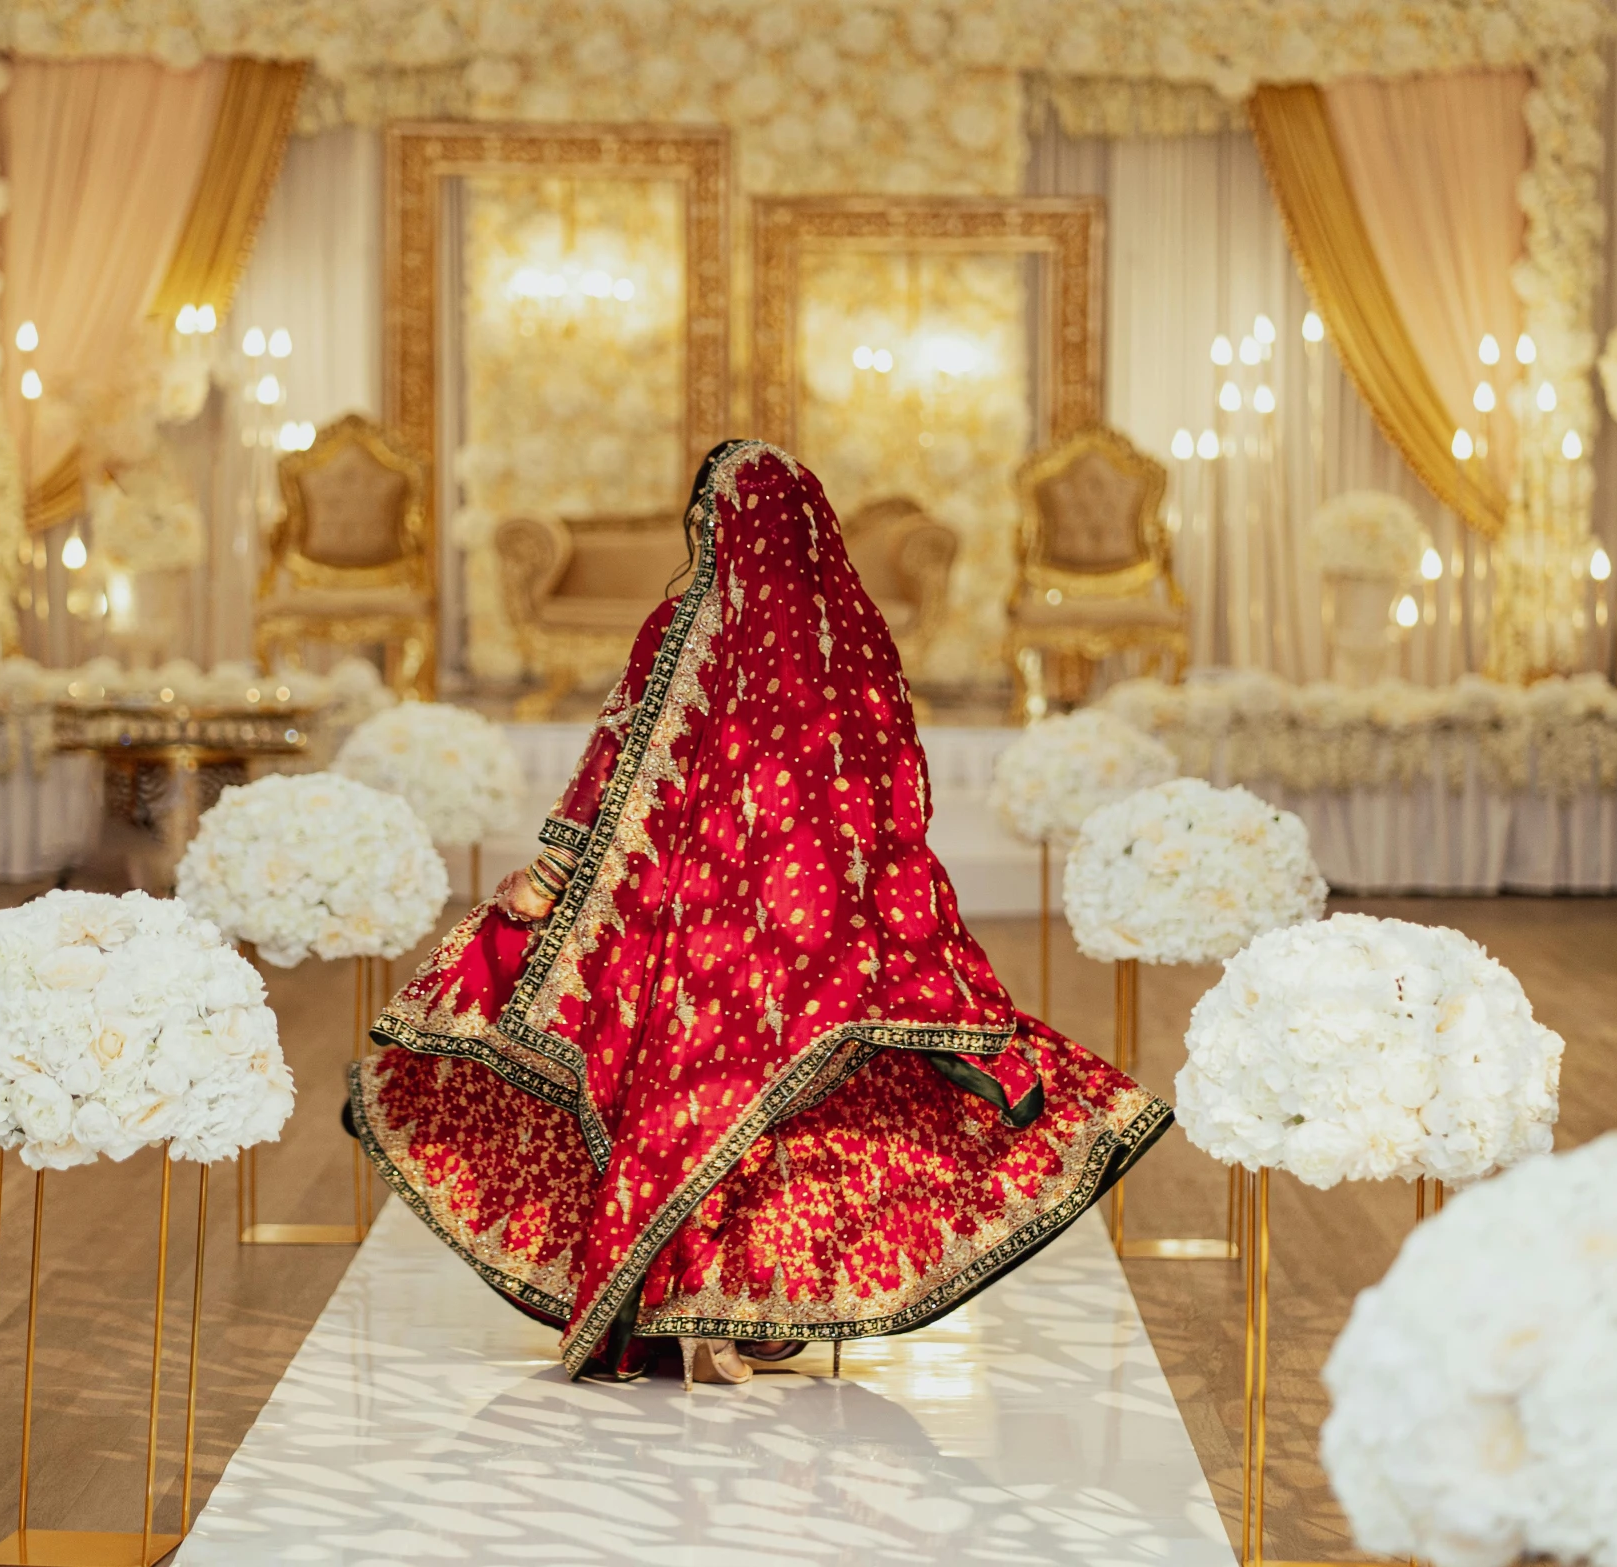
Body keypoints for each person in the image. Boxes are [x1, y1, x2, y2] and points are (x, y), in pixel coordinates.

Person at [345, 440, 1170, 1384]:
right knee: (787, 1111)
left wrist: (553, 874)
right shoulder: (854, 630)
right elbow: (896, 787)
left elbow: (621, 759)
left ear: (711, 522)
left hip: (700, 926)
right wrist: (879, 902)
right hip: (817, 922)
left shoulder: (688, 622)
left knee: (687, 1109)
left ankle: (695, 1305)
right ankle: (740, 1309)